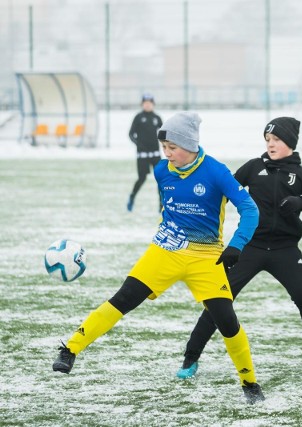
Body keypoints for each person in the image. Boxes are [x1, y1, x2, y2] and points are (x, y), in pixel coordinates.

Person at [52, 112, 266, 404]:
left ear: (189, 145)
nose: (166, 153)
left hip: (206, 258)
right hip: (165, 250)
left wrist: (236, 245)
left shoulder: (216, 172)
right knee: (124, 298)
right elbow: (168, 207)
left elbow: (250, 209)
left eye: (172, 148)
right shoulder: (162, 171)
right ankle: (70, 348)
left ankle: (249, 382)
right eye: (164, 147)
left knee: (227, 321)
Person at [175, 117, 302, 379]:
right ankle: (190, 358)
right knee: (219, 300)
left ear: (290, 142)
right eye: (268, 140)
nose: (271, 144)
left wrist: (299, 201)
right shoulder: (254, 167)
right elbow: (225, 189)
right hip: (249, 248)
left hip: (285, 251)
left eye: (276, 139)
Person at [127, 93, 163, 212]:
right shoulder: (138, 117)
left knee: (160, 179)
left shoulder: (157, 118)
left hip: (155, 154)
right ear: (142, 104)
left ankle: (161, 205)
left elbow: (164, 134)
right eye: (145, 103)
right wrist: (138, 144)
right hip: (142, 155)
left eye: (150, 103)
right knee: (142, 178)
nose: (147, 105)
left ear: (153, 104)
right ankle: (132, 197)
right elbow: (131, 134)